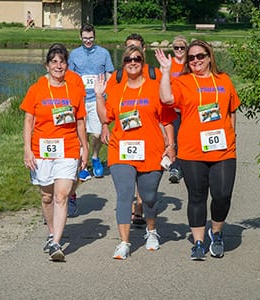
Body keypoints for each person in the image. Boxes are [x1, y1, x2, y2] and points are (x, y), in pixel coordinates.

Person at [155, 40, 240, 260]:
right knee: (197, 196)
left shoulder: (224, 80)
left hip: (223, 149)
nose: (195, 61)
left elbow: (232, 110)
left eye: (200, 56)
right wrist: (165, 72)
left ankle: (217, 232)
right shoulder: (184, 82)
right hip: (192, 150)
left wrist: (233, 134)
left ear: (209, 56)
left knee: (222, 195)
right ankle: (199, 242)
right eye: (191, 58)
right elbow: (166, 99)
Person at [96, 45, 177, 260]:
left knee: (149, 197)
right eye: (129, 59)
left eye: (138, 59)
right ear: (123, 64)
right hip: (121, 150)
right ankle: (124, 242)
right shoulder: (117, 89)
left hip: (151, 150)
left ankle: (151, 231)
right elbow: (106, 117)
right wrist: (98, 96)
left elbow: (167, 120)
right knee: (124, 195)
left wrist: (171, 146)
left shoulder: (154, 87)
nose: (133, 62)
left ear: (143, 63)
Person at [20, 44, 88, 262]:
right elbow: (29, 120)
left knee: (61, 195)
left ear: (67, 65)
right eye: (54, 62)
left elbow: (79, 121)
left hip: (68, 148)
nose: (58, 66)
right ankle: (51, 233)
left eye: (62, 61)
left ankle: (57, 243)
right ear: (47, 65)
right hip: (42, 150)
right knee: (47, 196)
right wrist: (27, 149)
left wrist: (84, 147)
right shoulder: (36, 89)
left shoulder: (75, 89)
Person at [108, 33, 162, 226]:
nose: (132, 58)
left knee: (147, 188)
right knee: (126, 186)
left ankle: (141, 208)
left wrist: (170, 143)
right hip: (125, 139)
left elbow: (166, 108)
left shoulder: (154, 75)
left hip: (148, 138)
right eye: (128, 52)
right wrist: (106, 126)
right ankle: (132, 214)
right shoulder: (119, 76)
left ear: (143, 51)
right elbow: (109, 109)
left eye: (137, 52)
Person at [68, 23, 114, 181]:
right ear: (80, 37)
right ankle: (83, 164)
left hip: (97, 99)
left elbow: (109, 74)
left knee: (96, 133)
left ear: (95, 37)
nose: (88, 41)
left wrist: (105, 92)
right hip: (80, 99)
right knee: (81, 134)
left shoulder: (104, 53)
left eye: (91, 38)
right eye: (85, 38)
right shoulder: (74, 54)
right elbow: (70, 77)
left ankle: (95, 157)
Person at [167, 35, 187, 184]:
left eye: (182, 47)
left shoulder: (190, 64)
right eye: (176, 48)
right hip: (173, 109)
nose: (179, 50)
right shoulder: (169, 64)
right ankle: (174, 167)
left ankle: (187, 165)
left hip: (187, 108)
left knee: (186, 138)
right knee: (173, 138)